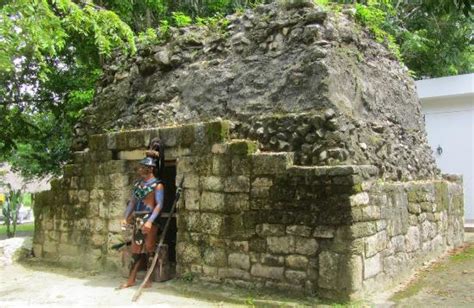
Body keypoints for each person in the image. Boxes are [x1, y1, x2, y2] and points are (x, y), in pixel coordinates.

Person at [119, 138, 165, 289]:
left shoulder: (157, 185)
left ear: (150, 169)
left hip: (149, 219)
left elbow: (159, 205)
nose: (139, 170)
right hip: (138, 219)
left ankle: (148, 279)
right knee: (136, 250)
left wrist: (150, 221)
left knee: (149, 248)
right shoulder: (138, 185)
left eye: (142, 167)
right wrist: (125, 217)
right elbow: (132, 202)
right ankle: (131, 279)